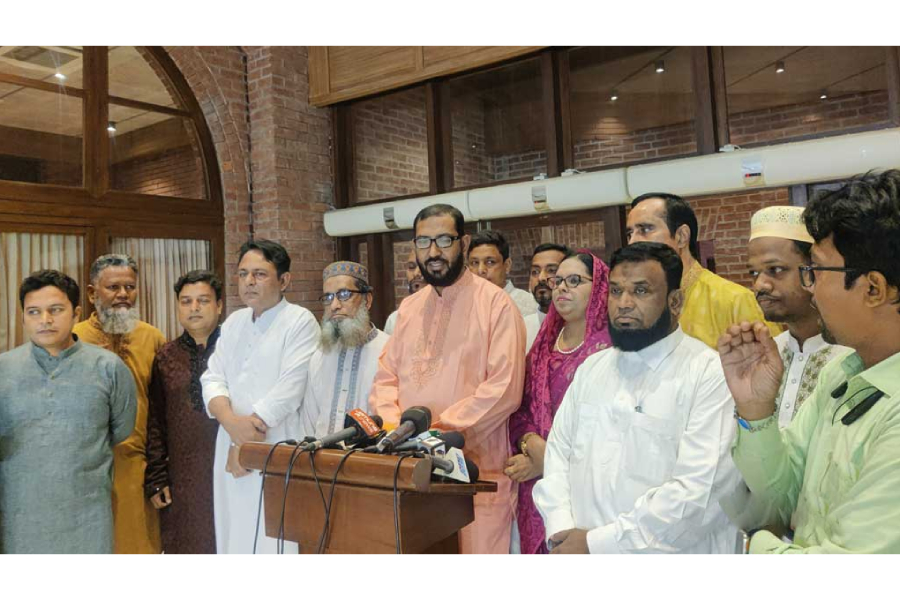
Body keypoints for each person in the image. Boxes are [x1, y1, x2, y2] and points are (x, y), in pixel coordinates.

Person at [720, 170, 900, 553]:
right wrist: (756, 411)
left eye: (815, 271)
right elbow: (782, 493)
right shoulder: (843, 373)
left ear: (873, 289)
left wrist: (754, 546)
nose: (811, 288)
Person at [534, 242, 741, 553]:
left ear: (675, 302)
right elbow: (558, 456)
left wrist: (596, 544)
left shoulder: (708, 374)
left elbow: (699, 494)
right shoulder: (592, 369)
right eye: (616, 291)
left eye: (641, 291)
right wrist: (561, 528)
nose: (624, 304)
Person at [369, 204, 526, 554]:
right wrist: (398, 432)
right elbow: (386, 377)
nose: (433, 252)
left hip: (475, 474)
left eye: (443, 240)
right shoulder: (409, 308)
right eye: (423, 242)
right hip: (411, 472)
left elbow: (504, 389)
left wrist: (435, 435)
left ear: (463, 243)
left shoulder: (497, 305)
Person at [0, 270, 136, 553]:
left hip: (87, 518)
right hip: (18, 517)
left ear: (75, 313)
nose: (45, 320)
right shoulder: (4, 370)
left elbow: (120, 429)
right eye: (34, 312)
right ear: (23, 317)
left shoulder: (108, 368)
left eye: (55, 310)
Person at [201, 240, 319, 554]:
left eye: (259, 274)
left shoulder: (300, 321)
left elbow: (289, 390)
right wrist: (231, 425)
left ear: (284, 280)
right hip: (231, 441)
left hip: (276, 442)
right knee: (235, 531)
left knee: (275, 539)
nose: (249, 282)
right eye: (243, 274)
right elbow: (212, 379)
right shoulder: (234, 323)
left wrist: (244, 444)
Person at [506, 251, 611, 554]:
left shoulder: (610, 350)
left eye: (575, 280)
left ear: (599, 286)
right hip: (536, 485)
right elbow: (519, 408)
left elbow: (608, 428)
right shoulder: (544, 342)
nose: (562, 287)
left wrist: (547, 461)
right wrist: (529, 443)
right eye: (558, 281)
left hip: (588, 490)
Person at [73, 254, 165, 554]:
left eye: (130, 287)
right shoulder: (73, 339)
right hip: (85, 469)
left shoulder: (152, 338)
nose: (123, 294)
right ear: (92, 293)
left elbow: (161, 410)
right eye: (114, 287)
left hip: (137, 469)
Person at [626, 192, 780, 349]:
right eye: (630, 234)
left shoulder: (734, 301)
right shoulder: (637, 307)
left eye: (645, 229)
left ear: (681, 236)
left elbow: (771, 361)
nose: (632, 242)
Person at [747, 206, 849, 428]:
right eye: (754, 273)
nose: (760, 285)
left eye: (775, 269)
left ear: (815, 270)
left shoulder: (853, 356)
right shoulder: (763, 356)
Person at [144, 270, 224, 554]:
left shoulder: (235, 352)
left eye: (203, 300)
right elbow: (155, 422)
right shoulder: (165, 357)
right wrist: (157, 478)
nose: (194, 308)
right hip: (183, 478)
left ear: (219, 306)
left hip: (229, 471)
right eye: (186, 301)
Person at [301, 261, 390, 438]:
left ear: (367, 300)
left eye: (344, 295)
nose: (334, 305)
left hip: (369, 454)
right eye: (328, 297)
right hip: (321, 454)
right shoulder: (320, 355)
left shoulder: (389, 350)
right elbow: (309, 421)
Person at [467, 229, 538, 318]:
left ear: (507, 265)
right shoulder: (463, 306)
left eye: (490, 262)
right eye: (475, 263)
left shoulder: (530, 306)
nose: (481, 270)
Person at [524, 243, 572, 353]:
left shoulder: (581, 327)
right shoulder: (521, 327)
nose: (541, 278)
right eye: (535, 272)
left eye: (551, 270)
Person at [384, 249, 424, 335]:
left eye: (423, 267)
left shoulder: (449, 315)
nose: (416, 273)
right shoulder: (395, 319)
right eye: (411, 267)